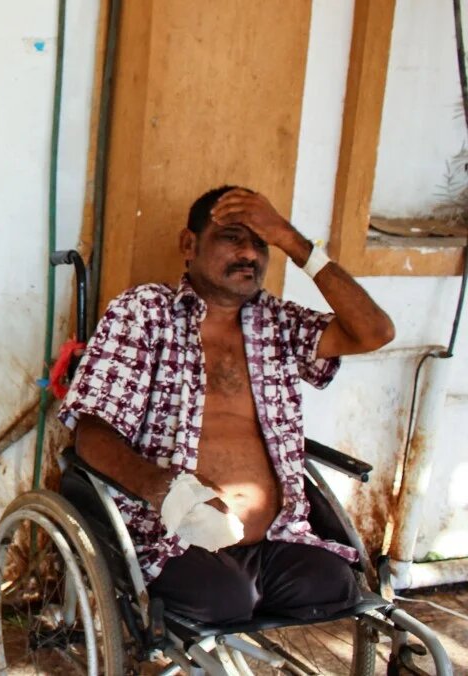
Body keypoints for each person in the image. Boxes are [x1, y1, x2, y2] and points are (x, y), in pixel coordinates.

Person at [58, 186, 395, 624]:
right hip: (171, 536)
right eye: (232, 236)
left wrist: (295, 242)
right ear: (189, 245)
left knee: (331, 585)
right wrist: (165, 489)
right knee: (224, 600)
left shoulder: (278, 323)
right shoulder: (144, 313)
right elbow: (92, 432)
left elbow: (376, 332)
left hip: (278, 537)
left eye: (261, 242)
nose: (249, 253)